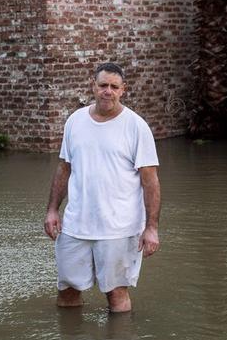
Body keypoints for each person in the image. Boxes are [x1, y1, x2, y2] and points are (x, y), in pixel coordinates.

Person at [44, 62, 161, 313]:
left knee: (116, 294)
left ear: (123, 90)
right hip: (76, 224)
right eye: (103, 85)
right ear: (93, 86)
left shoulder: (136, 126)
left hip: (119, 227)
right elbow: (64, 168)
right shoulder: (75, 121)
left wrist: (151, 228)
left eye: (114, 86)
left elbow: (150, 180)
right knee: (67, 290)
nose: (108, 91)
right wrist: (53, 210)